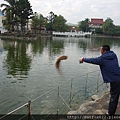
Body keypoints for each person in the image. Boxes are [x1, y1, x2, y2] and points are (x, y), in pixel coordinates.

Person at [79, 45, 120, 115]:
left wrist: (83, 59)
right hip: (118, 76)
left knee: (114, 97)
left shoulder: (103, 58)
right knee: (115, 94)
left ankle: (110, 114)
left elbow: (93, 60)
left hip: (115, 80)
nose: (100, 51)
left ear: (104, 51)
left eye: (101, 50)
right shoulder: (113, 55)